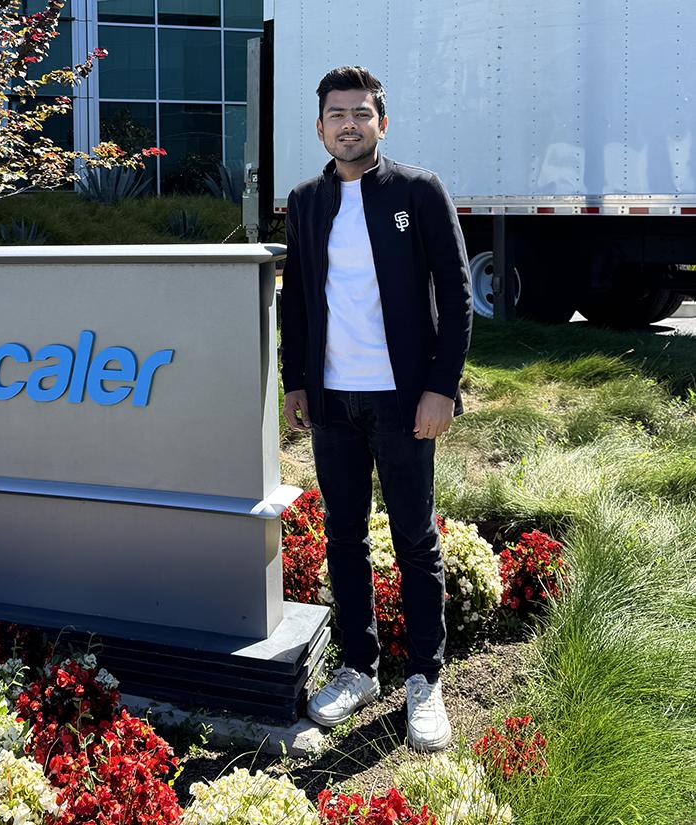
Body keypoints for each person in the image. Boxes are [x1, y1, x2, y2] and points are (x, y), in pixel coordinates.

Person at [279, 65, 472, 751]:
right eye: (337, 114)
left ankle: (426, 677)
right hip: (333, 402)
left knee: (416, 540)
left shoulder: (418, 192)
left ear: (381, 123)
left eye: (361, 113)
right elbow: (294, 300)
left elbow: (456, 294)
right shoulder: (305, 201)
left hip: (402, 401)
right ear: (321, 126)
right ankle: (360, 667)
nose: (349, 124)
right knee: (343, 535)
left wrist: (442, 387)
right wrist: (293, 382)